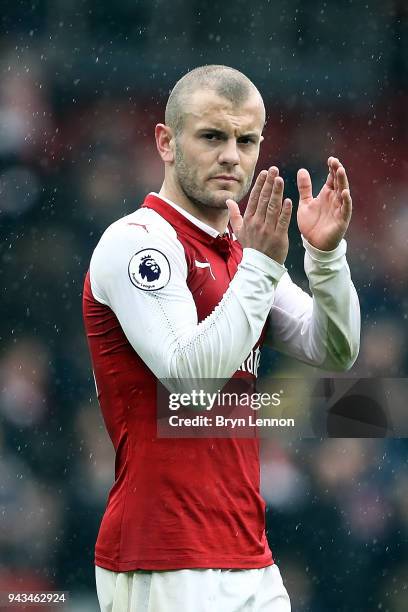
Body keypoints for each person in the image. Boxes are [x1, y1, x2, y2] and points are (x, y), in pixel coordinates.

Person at [83, 65, 360, 611]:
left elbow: (334, 349)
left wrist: (326, 257)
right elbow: (190, 380)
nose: (232, 155)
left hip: (248, 553)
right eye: (212, 136)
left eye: (246, 139)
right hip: (163, 556)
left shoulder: (241, 251)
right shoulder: (138, 242)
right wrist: (259, 264)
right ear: (166, 141)